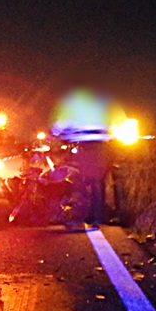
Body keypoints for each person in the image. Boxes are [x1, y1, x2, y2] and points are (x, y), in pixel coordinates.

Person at [50, 86, 123, 228]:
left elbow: (62, 123)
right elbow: (118, 123)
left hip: (86, 148)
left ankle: (80, 216)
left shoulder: (76, 104)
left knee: (80, 182)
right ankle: (96, 217)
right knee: (97, 184)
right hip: (102, 148)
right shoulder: (104, 103)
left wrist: (54, 132)